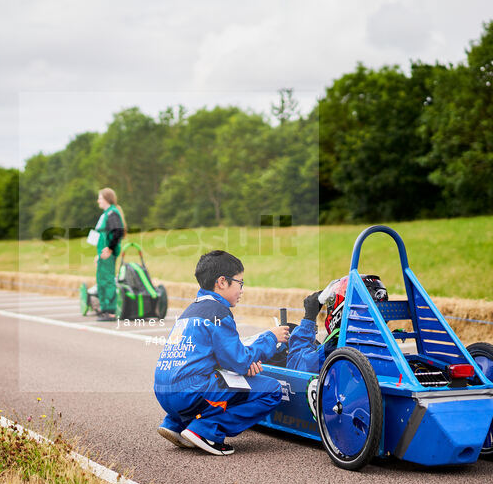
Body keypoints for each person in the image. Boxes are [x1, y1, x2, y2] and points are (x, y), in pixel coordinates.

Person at [153, 250, 291, 456]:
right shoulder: (218, 312)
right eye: (240, 283)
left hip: (163, 392)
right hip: (191, 393)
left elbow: (215, 357)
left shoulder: (190, 311)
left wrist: (243, 363)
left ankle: (174, 423)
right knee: (271, 390)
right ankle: (207, 430)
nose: (242, 290)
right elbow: (239, 361)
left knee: (218, 376)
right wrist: (271, 338)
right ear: (222, 282)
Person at [286, 275, 388, 372]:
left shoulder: (334, 348)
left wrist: (309, 318)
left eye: (332, 303)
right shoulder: (383, 343)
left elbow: (294, 365)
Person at [90, 188, 126, 321]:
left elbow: (118, 232)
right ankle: (105, 310)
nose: (98, 200)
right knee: (102, 280)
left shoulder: (112, 213)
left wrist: (110, 249)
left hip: (108, 253)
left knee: (107, 280)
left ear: (106, 198)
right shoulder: (106, 213)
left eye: (99, 197)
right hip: (103, 254)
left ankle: (110, 312)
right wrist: (99, 255)